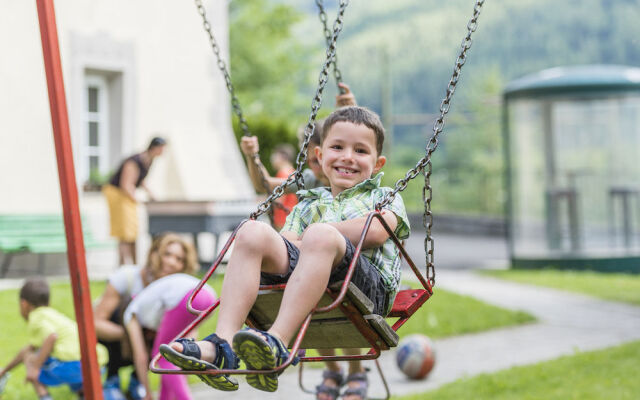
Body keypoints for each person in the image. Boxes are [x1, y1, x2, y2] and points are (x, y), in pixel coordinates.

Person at [159, 106, 410, 400]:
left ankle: (277, 341)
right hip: (320, 274)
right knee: (251, 231)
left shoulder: (384, 196)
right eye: (337, 147)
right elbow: (287, 247)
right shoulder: (306, 204)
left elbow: (378, 231)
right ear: (319, 155)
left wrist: (316, 237)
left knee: (321, 234)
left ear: (378, 163)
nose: (348, 156)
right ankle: (221, 345)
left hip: (368, 290)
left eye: (360, 151)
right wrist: (307, 242)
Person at [95, 233, 198, 400]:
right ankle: (111, 379)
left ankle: (137, 381)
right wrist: (133, 335)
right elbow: (96, 323)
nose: (171, 262)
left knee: (170, 336)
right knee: (128, 314)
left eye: (179, 259)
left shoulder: (175, 293)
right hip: (115, 339)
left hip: (147, 342)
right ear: (153, 254)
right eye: (167, 254)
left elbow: (188, 335)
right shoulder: (127, 277)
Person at [0, 278, 109, 400]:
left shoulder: (36, 316)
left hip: (72, 366)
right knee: (46, 358)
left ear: (24, 304)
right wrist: (4, 371)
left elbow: (51, 337)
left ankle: (45, 397)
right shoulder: (54, 316)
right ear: (48, 301)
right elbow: (28, 348)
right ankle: (84, 394)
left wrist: (35, 368)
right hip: (96, 364)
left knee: (30, 358)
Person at [123, 273, 216, 400]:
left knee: (162, 356)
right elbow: (189, 345)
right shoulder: (149, 306)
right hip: (209, 297)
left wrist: (147, 393)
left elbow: (141, 356)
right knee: (171, 355)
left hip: (187, 296)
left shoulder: (130, 313)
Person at [103, 136, 167, 265]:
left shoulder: (148, 160)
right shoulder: (135, 161)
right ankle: (123, 265)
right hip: (117, 194)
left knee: (132, 231)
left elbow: (139, 179)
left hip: (126, 195)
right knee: (125, 232)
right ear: (155, 148)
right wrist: (138, 200)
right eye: (162, 148)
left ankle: (133, 264)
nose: (163, 152)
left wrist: (150, 194)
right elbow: (126, 184)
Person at [270, 143, 297, 229]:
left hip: (282, 221)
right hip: (291, 219)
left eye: (275, 155)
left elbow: (278, 201)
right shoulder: (293, 172)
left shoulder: (283, 174)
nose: (272, 159)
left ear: (282, 157)